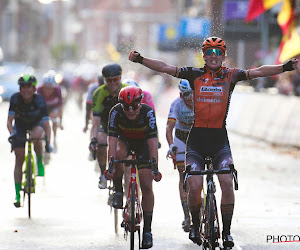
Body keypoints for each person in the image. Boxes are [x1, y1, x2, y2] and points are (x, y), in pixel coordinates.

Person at [128, 36, 298, 248]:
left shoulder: (231, 75)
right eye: (210, 52)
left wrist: (285, 67)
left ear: (224, 56)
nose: (214, 56)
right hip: (196, 141)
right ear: (204, 56)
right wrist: (141, 59)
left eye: (218, 52)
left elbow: (259, 71)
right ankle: (196, 224)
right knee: (194, 184)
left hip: (219, 141)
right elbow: (165, 67)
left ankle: (226, 233)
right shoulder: (194, 74)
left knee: (227, 182)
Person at [105, 86, 161, 249]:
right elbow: (112, 142)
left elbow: (152, 142)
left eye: (134, 106)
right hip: (125, 141)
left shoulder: (147, 112)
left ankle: (148, 231)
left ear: (140, 103)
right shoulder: (115, 112)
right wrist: (111, 166)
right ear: (121, 105)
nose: (130, 110)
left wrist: (154, 167)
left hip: (143, 143)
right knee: (118, 155)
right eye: (126, 107)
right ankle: (118, 190)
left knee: (146, 184)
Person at [7, 74, 52, 207]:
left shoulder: (39, 100)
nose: (26, 90)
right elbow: (9, 121)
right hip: (20, 126)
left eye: (29, 87)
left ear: (34, 89)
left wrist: (48, 141)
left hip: (35, 124)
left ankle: (39, 160)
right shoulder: (15, 99)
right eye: (23, 87)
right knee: (19, 159)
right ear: (20, 89)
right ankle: (17, 194)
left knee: (37, 136)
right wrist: (13, 134)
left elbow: (46, 124)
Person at [89, 63, 128, 189]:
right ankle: (102, 173)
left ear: (120, 78)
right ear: (104, 80)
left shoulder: (127, 90)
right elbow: (95, 120)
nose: (112, 83)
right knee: (101, 142)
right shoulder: (99, 93)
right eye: (108, 80)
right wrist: (93, 139)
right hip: (105, 124)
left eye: (115, 79)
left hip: (123, 126)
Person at [166, 79, 194, 232]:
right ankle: (187, 215)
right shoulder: (177, 104)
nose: (188, 98)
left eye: (190, 94)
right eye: (185, 95)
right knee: (183, 175)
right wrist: (171, 146)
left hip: (198, 135)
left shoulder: (201, 101)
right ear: (180, 95)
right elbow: (169, 128)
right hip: (181, 136)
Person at [37, 71, 63, 153]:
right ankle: (45, 138)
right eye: (46, 88)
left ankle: (54, 138)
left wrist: (61, 122)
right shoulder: (39, 91)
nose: (48, 91)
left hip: (53, 108)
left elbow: (60, 107)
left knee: (54, 119)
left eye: (50, 89)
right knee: (43, 122)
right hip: (42, 108)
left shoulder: (58, 90)